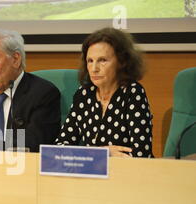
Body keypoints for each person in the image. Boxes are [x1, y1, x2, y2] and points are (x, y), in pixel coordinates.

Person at [56, 27, 153, 158]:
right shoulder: (84, 94)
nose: (94, 68)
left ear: (122, 62)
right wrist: (103, 153)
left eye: (102, 60)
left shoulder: (133, 93)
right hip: (91, 172)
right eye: (90, 61)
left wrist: (90, 154)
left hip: (126, 173)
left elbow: (141, 154)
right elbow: (61, 146)